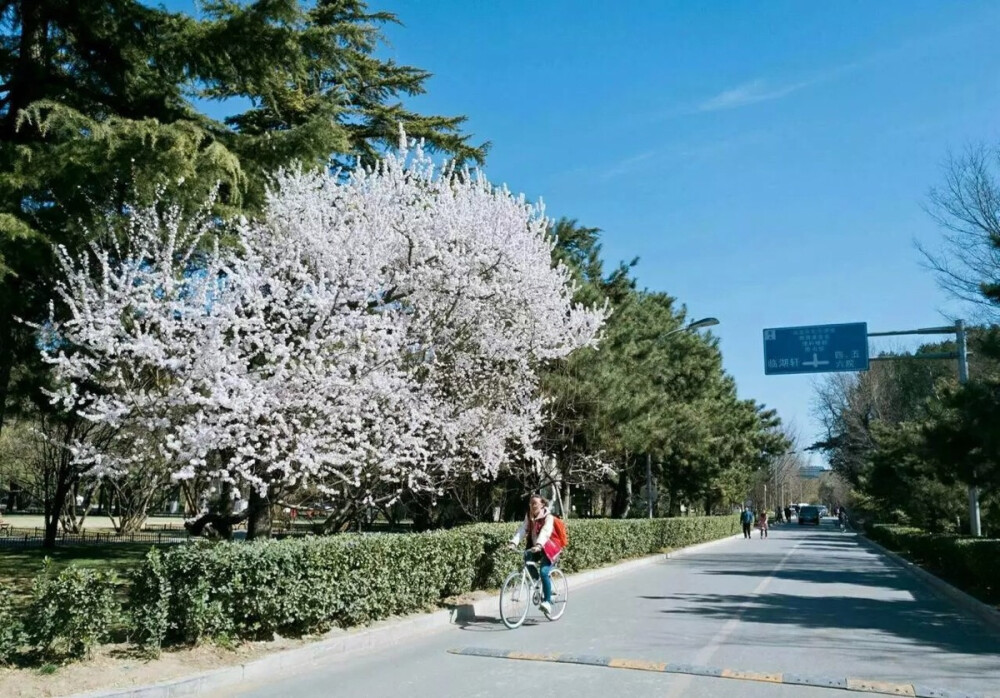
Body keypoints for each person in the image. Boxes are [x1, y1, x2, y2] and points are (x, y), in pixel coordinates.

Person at [509, 494, 563, 617]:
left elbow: (546, 531)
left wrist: (539, 544)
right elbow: (523, 529)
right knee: (527, 560)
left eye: (535, 503)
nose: (532, 506)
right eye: (530, 503)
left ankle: (547, 602)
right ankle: (539, 583)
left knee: (544, 571)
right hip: (535, 548)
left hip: (549, 548)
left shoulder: (548, 517)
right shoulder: (529, 515)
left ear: (542, 504)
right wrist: (513, 542)